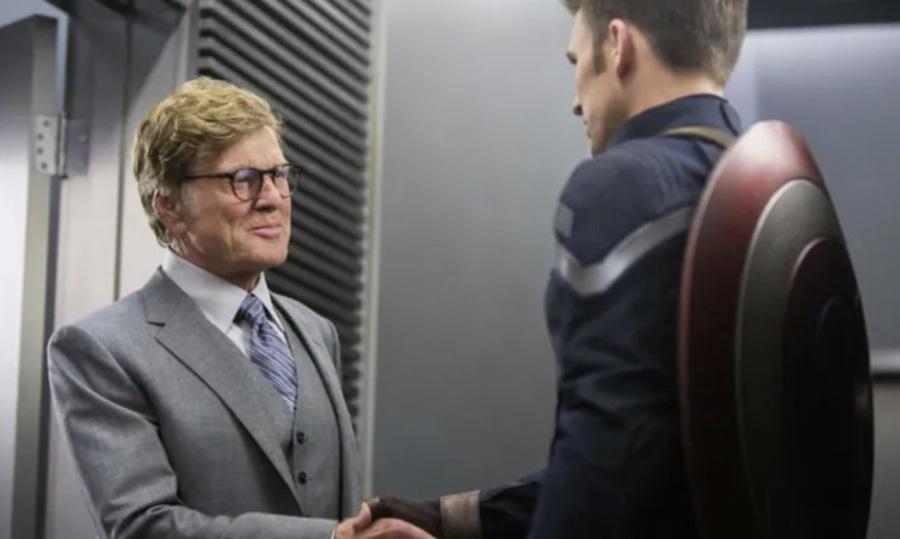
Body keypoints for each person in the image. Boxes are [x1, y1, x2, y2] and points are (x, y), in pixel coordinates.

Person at [369, 0, 748, 537]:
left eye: (576, 62)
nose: (575, 101)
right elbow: (658, 461)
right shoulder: (752, 185)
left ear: (617, 45)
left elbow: (603, 465)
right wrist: (447, 519)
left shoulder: (625, 186)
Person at [48, 77, 430, 539]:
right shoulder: (102, 349)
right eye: (242, 180)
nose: (272, 198)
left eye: (279, 175)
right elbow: (142, 527)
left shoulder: (315, 330)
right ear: (170, 206)